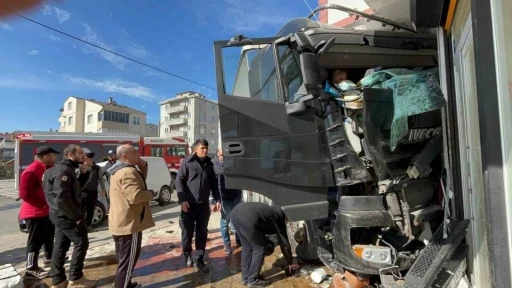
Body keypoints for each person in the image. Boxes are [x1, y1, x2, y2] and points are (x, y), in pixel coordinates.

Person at [43, 144, 97, 288]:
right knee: (81, 242)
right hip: (66, 216)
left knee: (60, 246)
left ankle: (58, 280)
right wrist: (76, 217)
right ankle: (76, 278)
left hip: (59, 215)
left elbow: (74, 189)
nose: (84, 156)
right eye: (80, 153)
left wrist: (84, 174)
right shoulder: (64, 171)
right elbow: (61, 199)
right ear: (70, 155)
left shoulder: (61, 170)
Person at [108, 144, 155, 288]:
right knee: (128, 261)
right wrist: (151, 194)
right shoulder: (127, 172)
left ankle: (126, 283)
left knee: (124, 259)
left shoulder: (119, 169)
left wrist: (143, 166)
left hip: (120, 222)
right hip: (129, 224)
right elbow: (135, 196)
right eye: (134, 152)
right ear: (124, 156)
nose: (138, 154)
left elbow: (139, 181)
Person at [176, 139, 221, 273]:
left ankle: (200, 258)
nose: (205, 150)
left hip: (203, 206)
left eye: (206, 148)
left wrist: (217, 199)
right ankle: (187, 255)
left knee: (202, 233)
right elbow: (179, 181)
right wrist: (182, 200)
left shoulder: (210, 164)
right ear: (195, 149)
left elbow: (214, 184)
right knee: (187, 232)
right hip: (188, 205)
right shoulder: (187, 162)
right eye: (202, 148)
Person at [231, 202, 299, 288]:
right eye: (288, 221)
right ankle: (253, 280)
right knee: (260, 248)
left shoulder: (274, 210)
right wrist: (290, 262)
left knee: (247, 248)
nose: (288, 223)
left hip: (235, 213)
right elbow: (284, 244)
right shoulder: (280, 218)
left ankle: (246, 277)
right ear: (287, 217)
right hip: (248, 218)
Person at [19, 146, 59, 279]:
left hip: (46, 212)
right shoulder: (32, 170)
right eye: (53, 155)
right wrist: (42, 204)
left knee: (48, 237)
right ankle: (31, 268)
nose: (55, 158)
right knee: (34, 241)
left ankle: (49, 258)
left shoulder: (46, 168)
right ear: (46, 156)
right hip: (35, 213)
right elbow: (24, 193)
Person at [213, 148, 242, 255]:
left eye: (224, 155)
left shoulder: (233, 165)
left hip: (235, 196)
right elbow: (214, 187)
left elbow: (238, 181)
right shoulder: (215, 167)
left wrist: (239, 196)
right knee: (225, 221)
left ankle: (238, 238)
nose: (222, 157)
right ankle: (227, 243)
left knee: (237, 220)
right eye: (220, 155)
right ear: (217, 155)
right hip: (224, 199)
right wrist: (216, 201)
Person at [78, 152, 106, 232]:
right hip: (82, 192)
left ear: (90, 159)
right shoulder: (81, 167)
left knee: (91, 209)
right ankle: (80, 226)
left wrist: (103, 189)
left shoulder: (97, 168)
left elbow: (101, 179)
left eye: (86, 159)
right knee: (81, 210)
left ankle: (89, 225)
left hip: (92, 192)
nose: (85, 161)